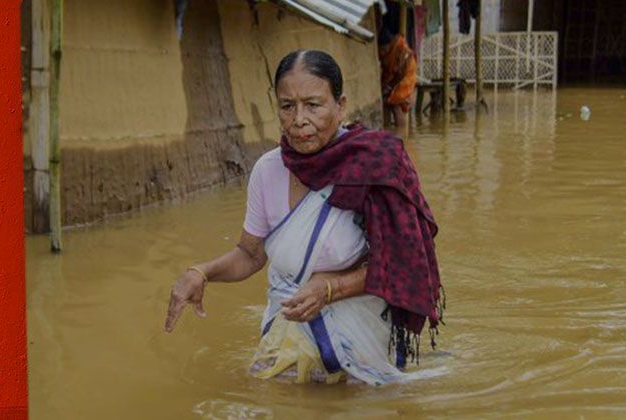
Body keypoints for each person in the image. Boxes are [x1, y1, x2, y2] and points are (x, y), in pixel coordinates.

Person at [164, 50, 442, 385]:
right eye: (287, 106)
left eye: (313, 105)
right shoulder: (268, 170)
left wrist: (331, 289)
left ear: (340, 106)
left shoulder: (376, 165)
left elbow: (404, 265)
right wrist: (201, 272)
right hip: (288, 326)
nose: (299, 119)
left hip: (362, 334)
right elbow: (251, 255)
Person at [379, 28, 418, 129]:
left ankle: (401, 133)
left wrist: (389, 86)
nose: (382, 53)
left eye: (384, 49)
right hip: (396, 78)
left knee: (396, 104)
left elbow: (400, 73)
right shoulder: (390, 52)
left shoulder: (400, 49)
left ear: (389, 44)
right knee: (386, 102)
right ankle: (387, 129)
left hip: (406, 77)